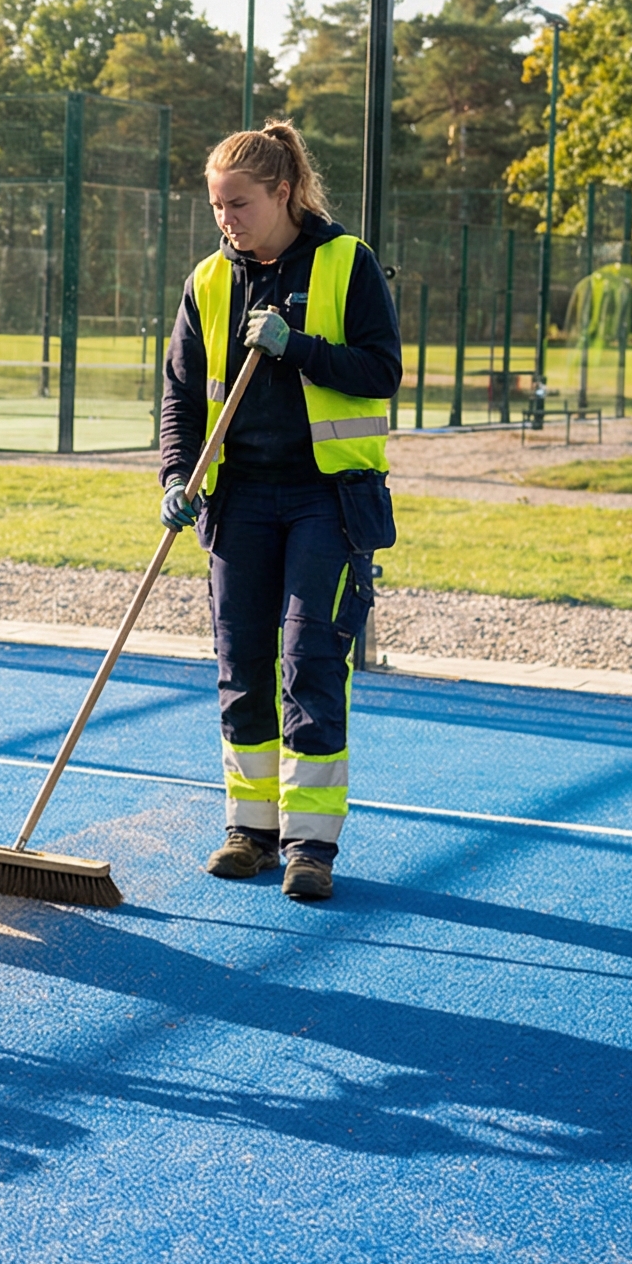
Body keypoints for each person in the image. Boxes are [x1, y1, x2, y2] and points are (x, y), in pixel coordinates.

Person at [158, 121, 402, 902]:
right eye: (216, 206)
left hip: (326, 499)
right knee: (241, 666)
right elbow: (179, 399)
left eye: (239, 204)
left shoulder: (345, 262)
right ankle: (250, 831)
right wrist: (175, 475)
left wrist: (297, 346)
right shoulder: (207, 283)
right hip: (239, 503)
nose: (226, 219)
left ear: (284, 193)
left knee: (310, 663)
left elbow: (381, 370)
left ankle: (309, 845)